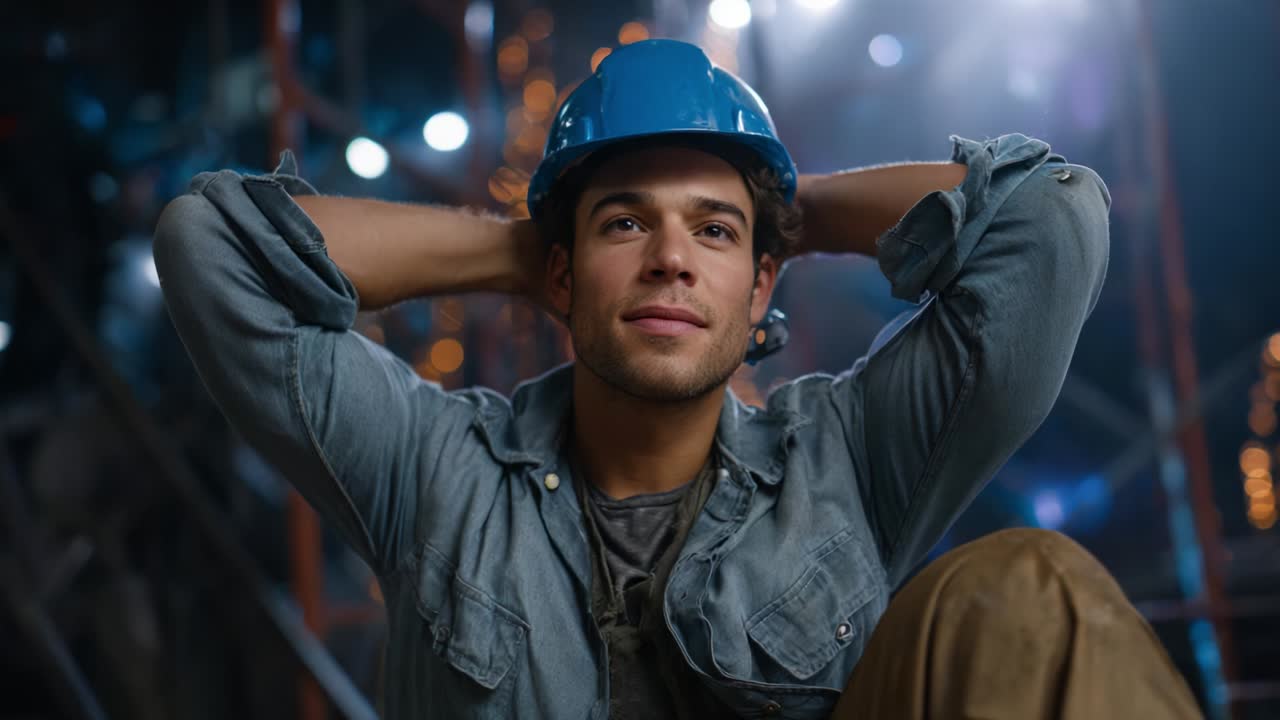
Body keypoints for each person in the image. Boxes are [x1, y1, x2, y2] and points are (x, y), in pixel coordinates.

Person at [154, 39, 1201, 720]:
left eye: (710, 232)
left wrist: (784, 212)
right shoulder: (437, 476)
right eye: (624, 225)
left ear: (759, 292)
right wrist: (522, 250)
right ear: (558, 272)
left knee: (1028, 591)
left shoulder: (842, 461)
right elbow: (212, 247)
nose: (669, 258)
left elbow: (1051, 218)